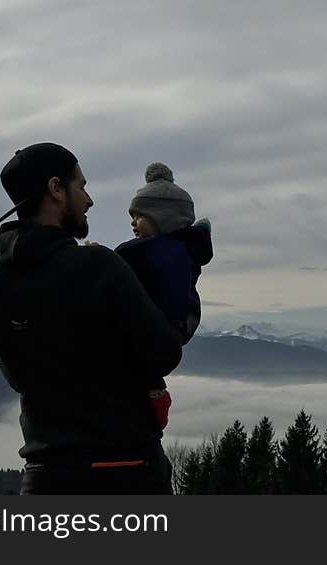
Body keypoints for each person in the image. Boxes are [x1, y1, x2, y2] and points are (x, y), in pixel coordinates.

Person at [0, 142, 182, 494]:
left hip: (44, 477)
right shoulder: (98, 266)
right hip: (126, 471)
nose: (89, 199)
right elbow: (165, 352)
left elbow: (20, 375)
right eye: (81, 186)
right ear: (56, 189)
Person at [113, 162, 213, 430]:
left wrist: (98, 260)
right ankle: (154, 398)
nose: (133, 223)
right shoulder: (179, 253)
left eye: (139, 216)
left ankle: (152, 398)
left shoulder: (162, 254)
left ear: (161, 218)